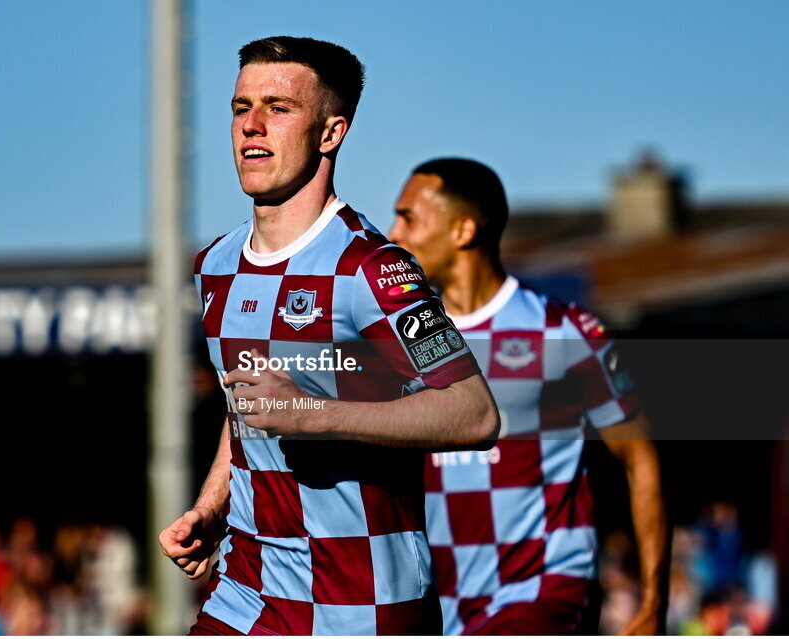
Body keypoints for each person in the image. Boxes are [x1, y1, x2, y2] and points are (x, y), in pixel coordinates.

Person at [158, 38, 499, 636]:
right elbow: (247, 404)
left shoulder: (374, 269)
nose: (253, 126)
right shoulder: (215, 266)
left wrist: (312, 414)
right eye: (241, 108)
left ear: (331, 133)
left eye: (279, 108)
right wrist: (216, 502)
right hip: (247, 593)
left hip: (364, 603)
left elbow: (473, 413)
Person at [388, 158, 670, 635]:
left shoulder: (564, 331)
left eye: (409, 217)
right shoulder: (398, 345)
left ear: (463, 230)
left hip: (546, 592)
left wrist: (652, 605)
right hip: (445, 608)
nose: (394, 233)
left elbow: (639, 457)